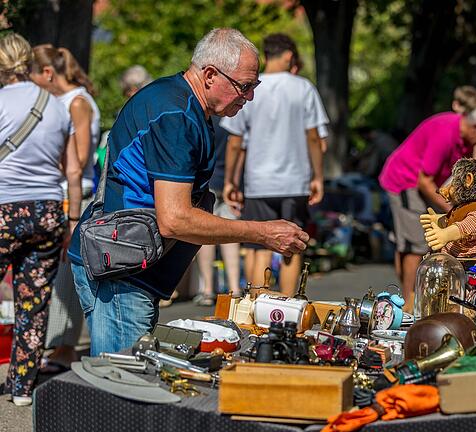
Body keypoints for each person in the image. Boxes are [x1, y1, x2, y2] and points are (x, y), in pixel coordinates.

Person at [67, 28, 309, 356]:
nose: (249, 96)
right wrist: (262, 232)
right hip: (122, 271)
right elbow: (175, 219)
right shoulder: (176, 114)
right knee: (123, 383)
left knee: (122, 379)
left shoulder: (178, 101)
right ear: (210, 74)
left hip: (124, 261)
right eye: (245, 85)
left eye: (255, 85)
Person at [0, 33, 82, 405]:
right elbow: (74, 170)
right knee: (33, 302)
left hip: (3, 208)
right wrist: (73, 220)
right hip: (49, 211)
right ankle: (21, 389)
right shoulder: (57, 106)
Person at [379, 104, 476, 312]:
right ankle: (410, 303)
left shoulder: (468, 139)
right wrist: (456, 211)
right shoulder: (446, 134)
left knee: (413, 242)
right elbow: (424, 181)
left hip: (421, 183)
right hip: (405, 181)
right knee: (414, 245)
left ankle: (410, 297)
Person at [221, 33, 327, 295]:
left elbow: (236, 142)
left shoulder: (249, 88)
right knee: (292, 245)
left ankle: (257, 304)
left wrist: (230, 181)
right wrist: (318, 176)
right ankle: (289, 306)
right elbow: (314, 136)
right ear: (289, 56)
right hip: (295, 180)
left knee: (257, 246)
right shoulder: (303, 88)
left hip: (258, 182)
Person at [29, 44, 102, 373]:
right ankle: (59, 343)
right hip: (61, 193)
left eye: (32, 73)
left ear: (47, 73)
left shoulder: (76, 102)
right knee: (58, 276)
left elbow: (82, 156)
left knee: (66, 278)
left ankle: (64, 347)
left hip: (75, 196)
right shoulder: (65, 100)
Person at [194, 116, 242, 306]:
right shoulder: (235, 120)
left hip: (208, 181)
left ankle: (207, 289)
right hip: (231, 182)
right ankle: (234, 288)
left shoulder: (205, 119)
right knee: (231, 234)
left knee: (206, 236)